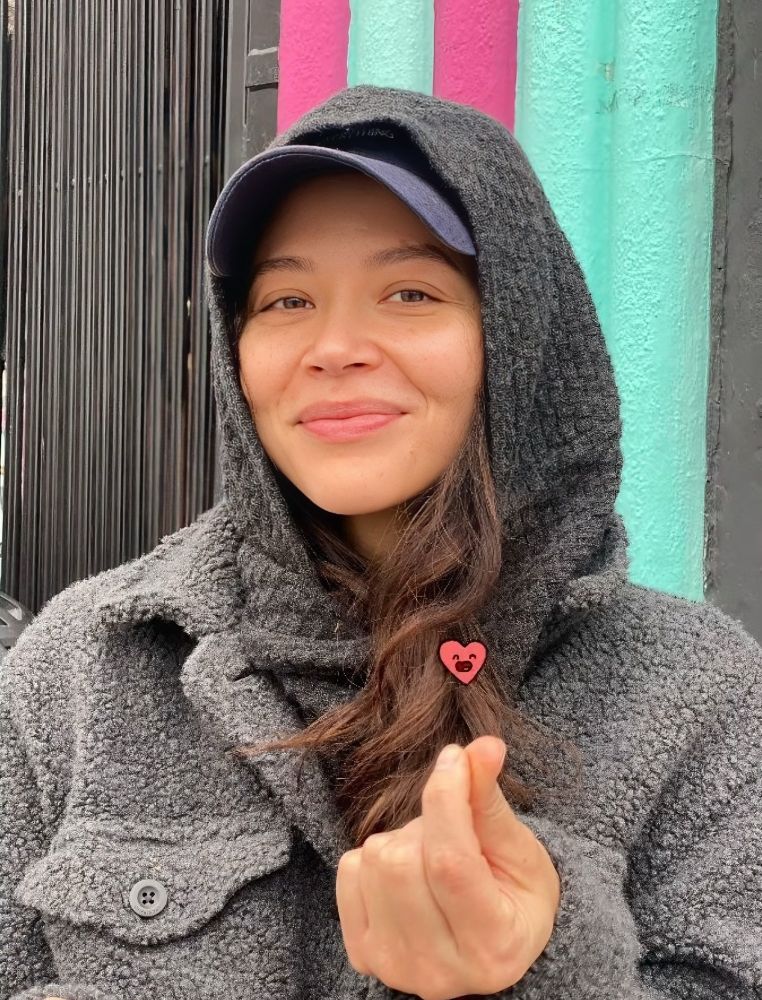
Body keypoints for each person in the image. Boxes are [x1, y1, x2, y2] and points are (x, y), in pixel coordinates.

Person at [1, 83, 761, 1000]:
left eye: (409, 292)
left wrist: (541, 967)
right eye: (287, 300)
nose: (335, 347)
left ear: (517, 336)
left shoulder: (696, 691)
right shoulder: (86, 663)